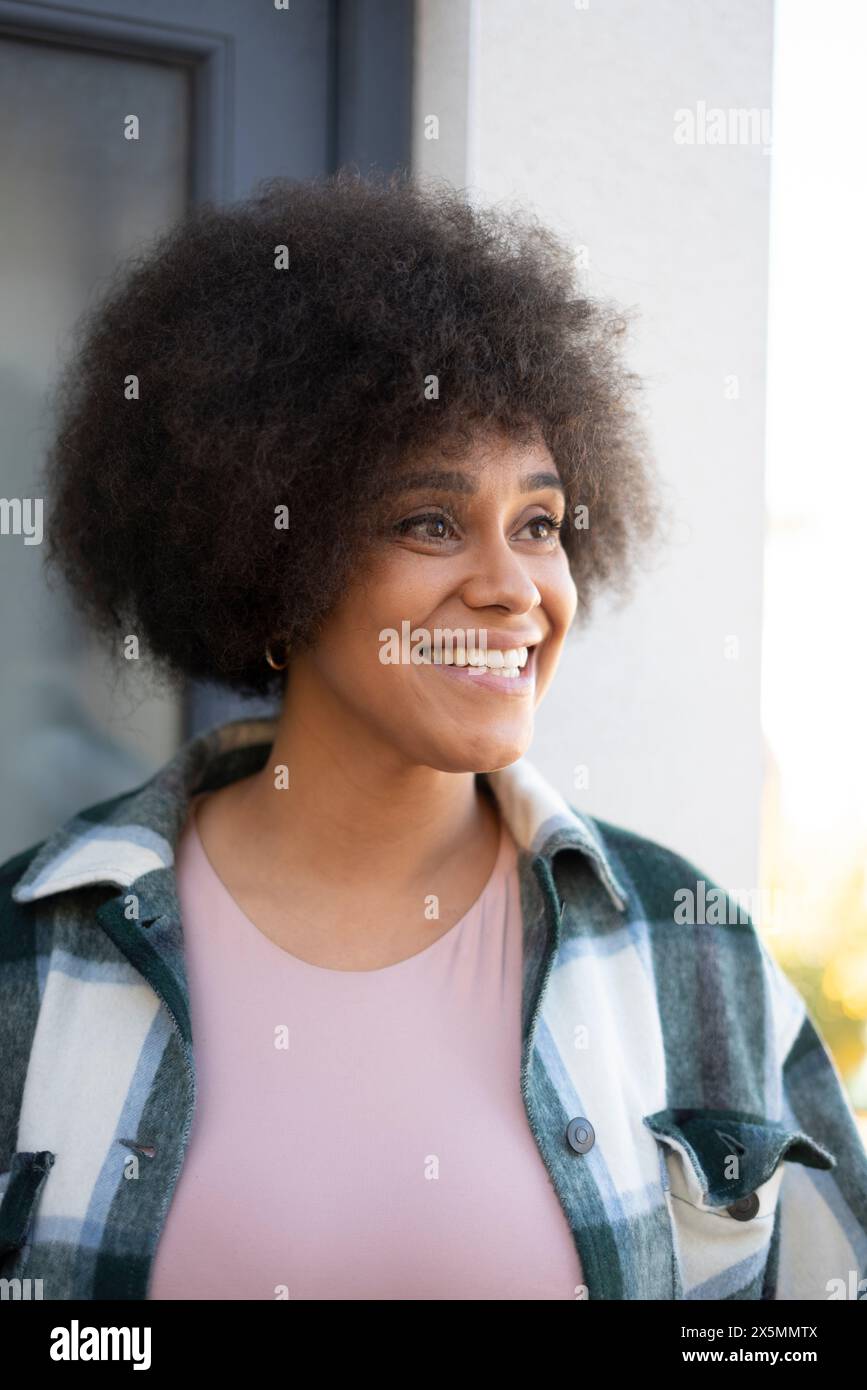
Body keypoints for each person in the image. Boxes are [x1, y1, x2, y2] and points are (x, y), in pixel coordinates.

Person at [1, 170, 865, 1302]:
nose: (514, 587)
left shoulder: (689, 948)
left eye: (539, 523)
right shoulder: (35, 952)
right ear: (274, 566)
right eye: (430, 521)